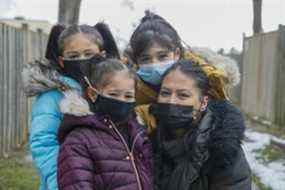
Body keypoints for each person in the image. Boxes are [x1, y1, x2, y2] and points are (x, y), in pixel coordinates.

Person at [22, 23, 120, 190]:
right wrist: (61, 182)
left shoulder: (113, 91)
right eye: (73, 56)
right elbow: (43, 142)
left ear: (102, 55)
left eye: (89, 54)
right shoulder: (52, 96)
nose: (81, 60)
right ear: (62, 61)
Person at [148, 60, 251, 190]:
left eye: (183, 95)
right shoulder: (148, 142)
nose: (171, 101)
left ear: (203, 103)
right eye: (165, 93)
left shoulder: (223, 153)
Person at [57, 59, 153, 190]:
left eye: (128, 96)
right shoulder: (79, 140)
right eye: (114, 94)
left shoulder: (138, 133)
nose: (122, 100)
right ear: (92, 94)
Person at [128, 11, 239, 106]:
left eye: (162, 56)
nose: (154, 65)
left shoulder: (207, 83)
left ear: (176, 54)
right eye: (145, 59)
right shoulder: (127, 90)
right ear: (136, 61)